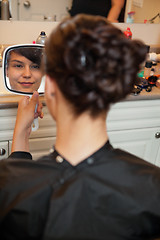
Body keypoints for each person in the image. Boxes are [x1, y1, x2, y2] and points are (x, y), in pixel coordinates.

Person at [0, 14, 160, 240]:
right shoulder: (152, 185)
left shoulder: (9, 185)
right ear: (113, 91)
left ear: (51, 87)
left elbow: (21, 184)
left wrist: (19, 136)